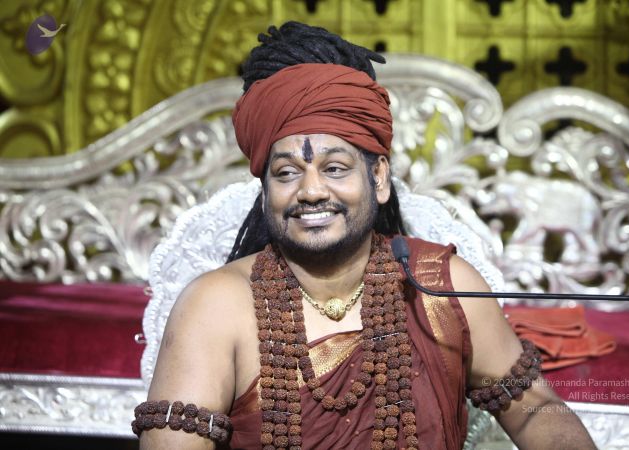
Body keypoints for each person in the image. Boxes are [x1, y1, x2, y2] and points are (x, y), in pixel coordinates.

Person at [134, 22, 596, 450]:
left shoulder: (439, 288)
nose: (311, 191)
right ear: (266, 189)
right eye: (287, 172)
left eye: (335, 168)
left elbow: (537, 412)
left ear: (378, 178)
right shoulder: (217, 305)